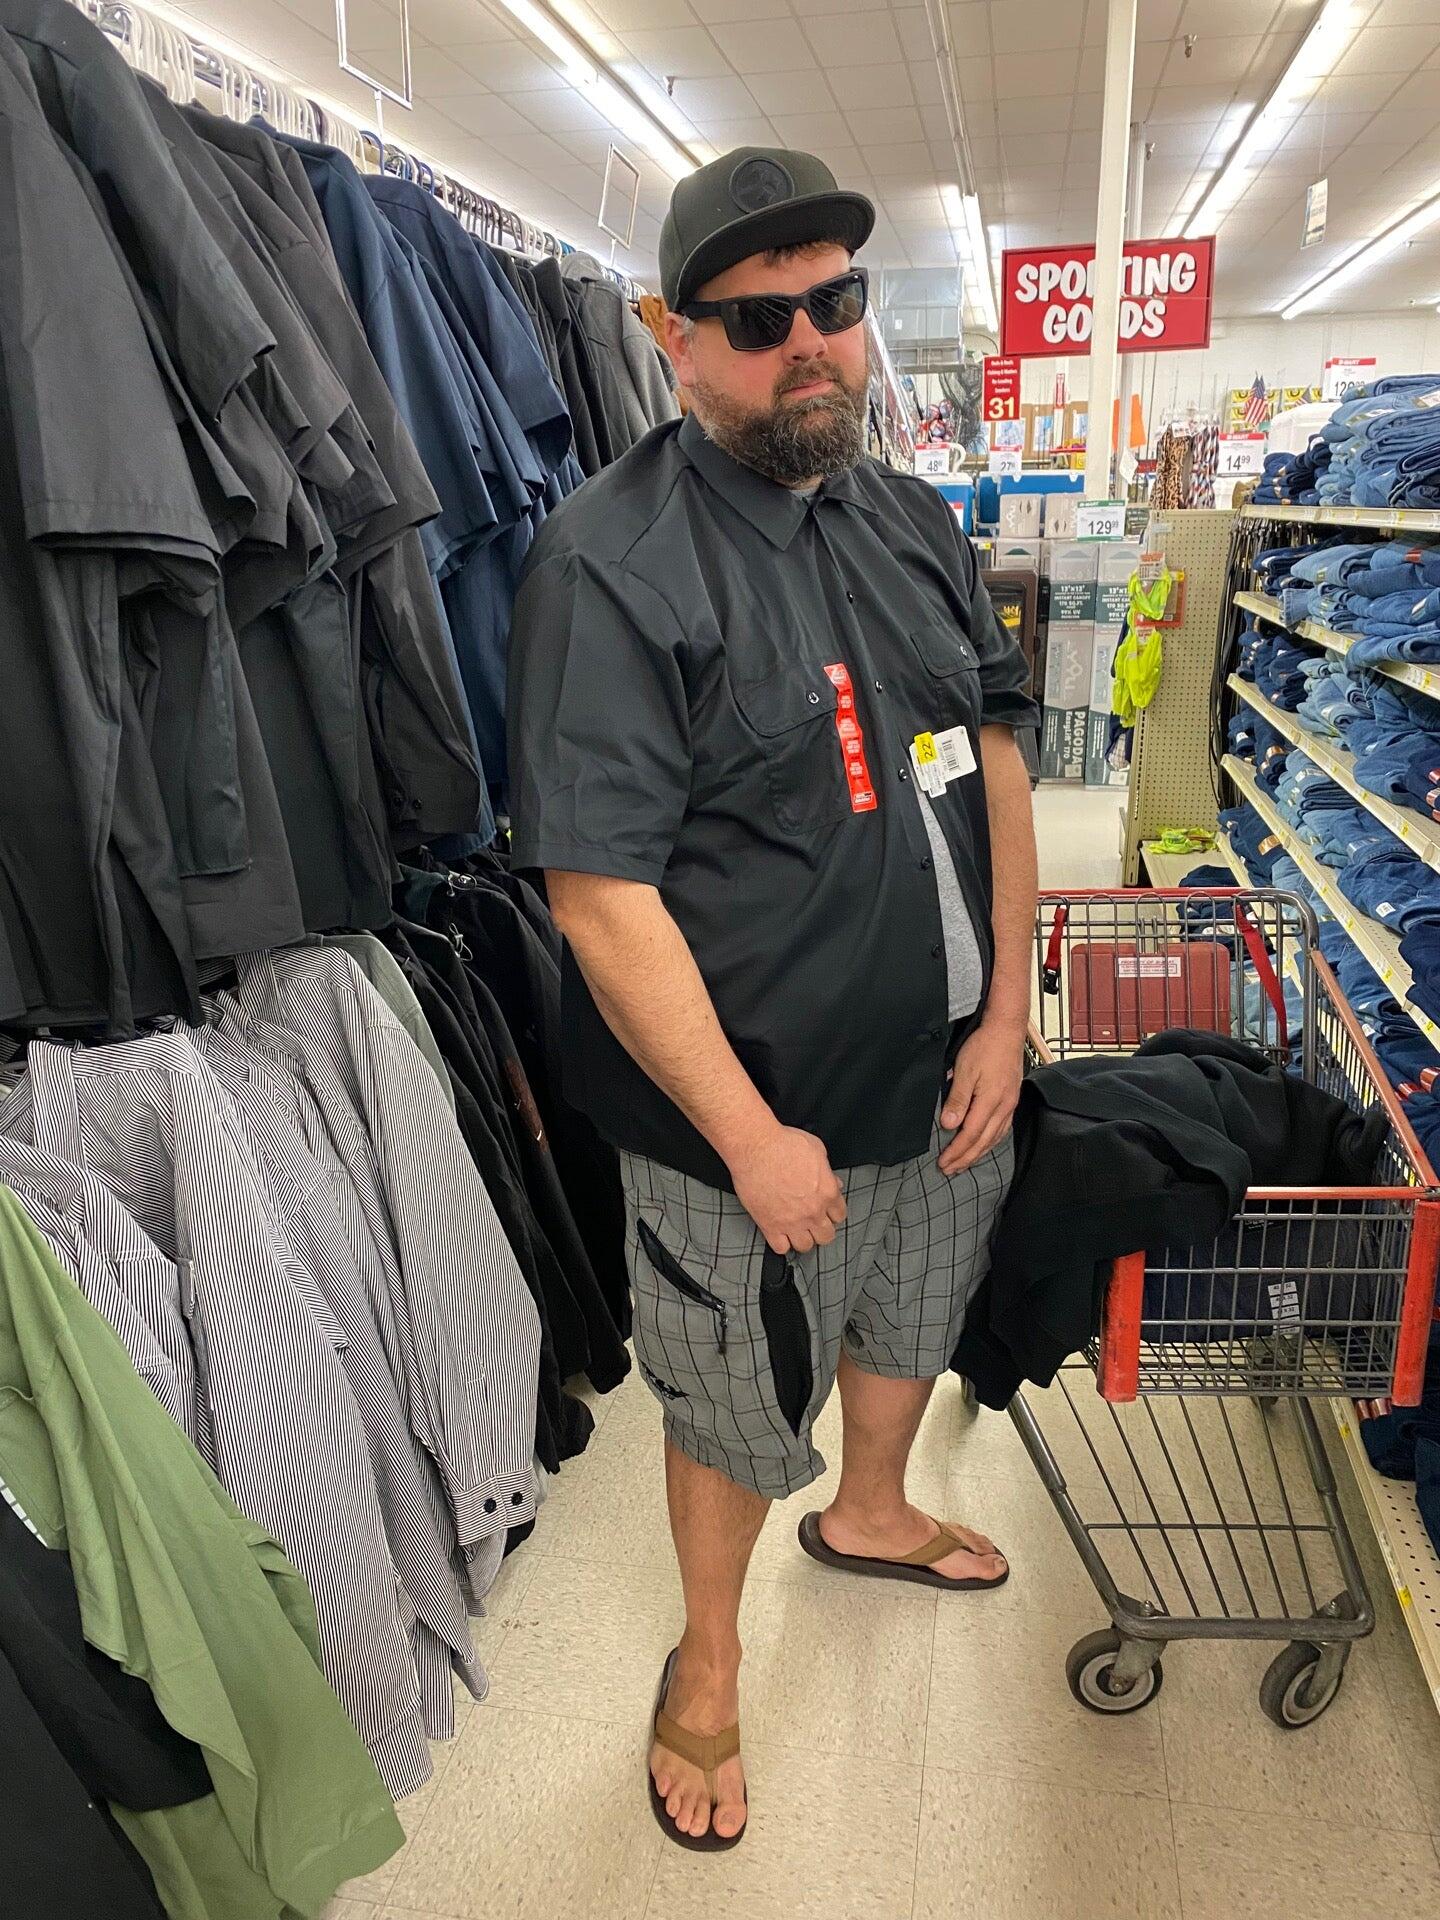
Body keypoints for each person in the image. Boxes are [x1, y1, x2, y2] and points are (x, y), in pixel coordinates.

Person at [508, 147, 1040, 1852]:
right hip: (745, 1130)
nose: (809, 341)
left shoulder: (913, 521)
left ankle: (873, 1509)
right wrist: (746, 1138)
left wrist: (1009, 1014)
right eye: (758, 319)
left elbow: (995, 759)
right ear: (672, 336)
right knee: (734, 1397)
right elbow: (599, 895)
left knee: (911, 1316)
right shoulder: (609, 564)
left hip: (946, 1079)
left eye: (836, 301)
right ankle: (711, 1661)